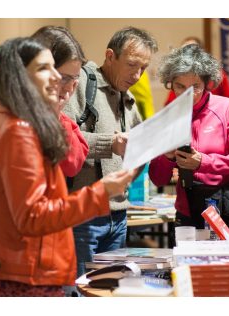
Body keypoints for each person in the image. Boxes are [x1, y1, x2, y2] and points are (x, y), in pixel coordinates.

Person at [0, 37, 134, 297]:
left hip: (11, 265)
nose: (56, 77)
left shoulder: (7, 122)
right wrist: (102, 192)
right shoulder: (18, 130)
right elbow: (33, 216)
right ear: (18, 76)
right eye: (44, 68)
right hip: (23, 273)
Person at [63, 26, 158, 277]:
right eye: (132, 65)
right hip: (82, 215)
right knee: (81, 292)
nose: (137, 75)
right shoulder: (80, 84)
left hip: (119, 216)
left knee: (112, 291)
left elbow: (139, 146)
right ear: (110, 56)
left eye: (144, 68)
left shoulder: (128, 99)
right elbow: (62, 140)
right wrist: (111, 143)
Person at [149, 44, 229, 252]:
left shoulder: (226, 108)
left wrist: (203, 162)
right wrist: (167, 158)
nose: (189, 93)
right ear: (170, 84)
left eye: (195, 86)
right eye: (180, 86)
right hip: (189, 211)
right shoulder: (168, 117)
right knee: (192, 276)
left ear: (207, 83)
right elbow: (157, 178)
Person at [0, 26, 88, 179]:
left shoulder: (35, 102)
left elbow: (75, 160)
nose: (70, 88)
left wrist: (55, 111)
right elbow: (64, 164)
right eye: (65, 77)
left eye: (75, 79)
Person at [163, 36, 229, 106]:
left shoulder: (217, 73)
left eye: (196, 86)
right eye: (185, 51)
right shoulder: (178, 75)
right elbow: (170, 105)